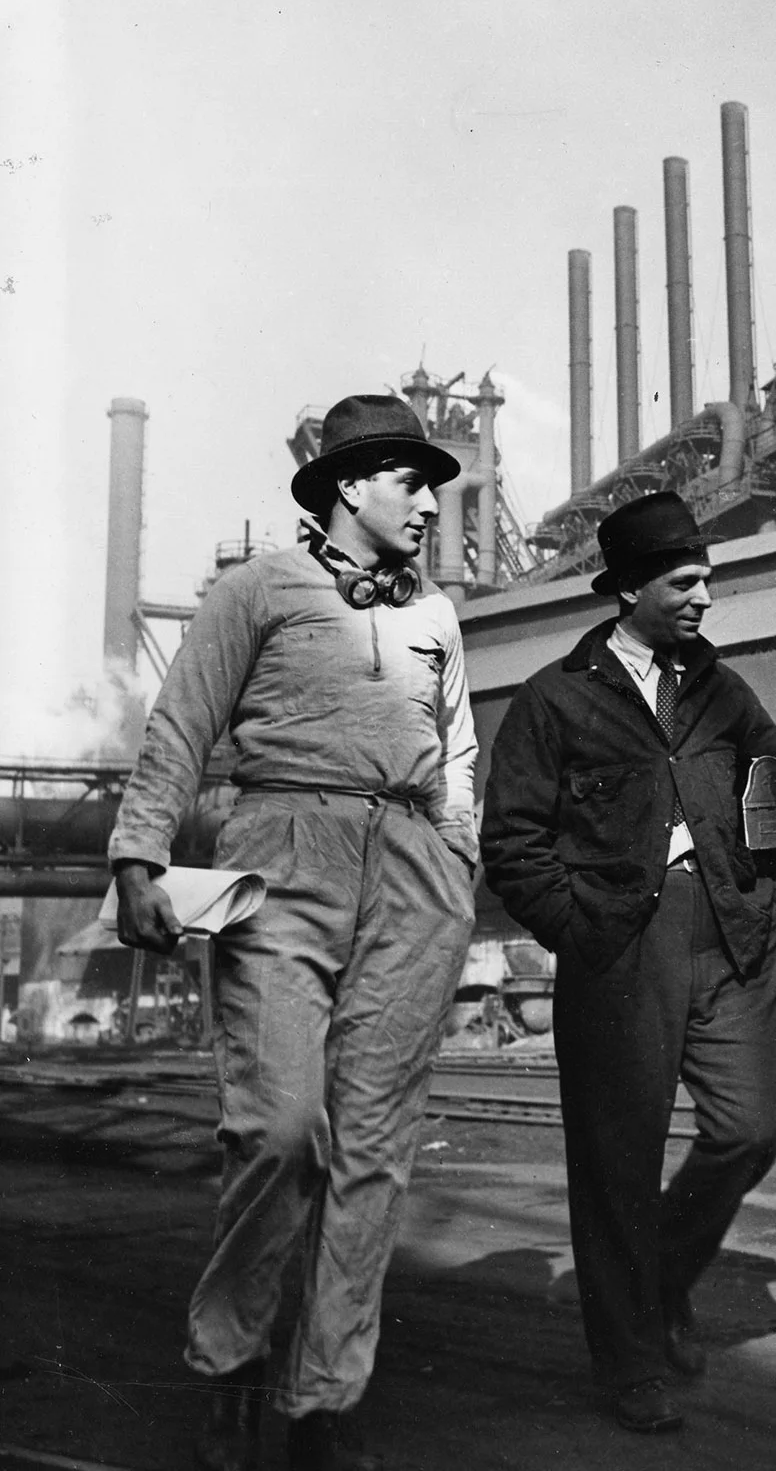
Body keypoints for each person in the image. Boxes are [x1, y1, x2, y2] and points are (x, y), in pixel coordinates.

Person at [109, 395, 481, 1471]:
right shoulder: (258, 585)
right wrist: (139, 852)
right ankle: (229, 1363)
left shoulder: (437, 615)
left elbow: (456, 752)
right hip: (282, 845)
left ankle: (324, 1395)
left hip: (412, 871)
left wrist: (457, 857)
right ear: (348, 482)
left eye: (434, 481)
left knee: (373, 1150)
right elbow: (182, 719)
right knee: (277, 1126)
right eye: (410, 479)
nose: (428, 498)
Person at [481, 491, 776, 1436]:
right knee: (617, 1164)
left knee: (754, 1120)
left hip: (732, 935)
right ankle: (630, 1361)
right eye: (684, 582)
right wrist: (578, 931)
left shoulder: (721, 689)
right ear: (627, 588)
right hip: (621, 949)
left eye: (708, 579)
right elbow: (513, 842)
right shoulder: (556, 697)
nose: (705, 597)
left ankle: (659, 1279)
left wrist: (774, 897)